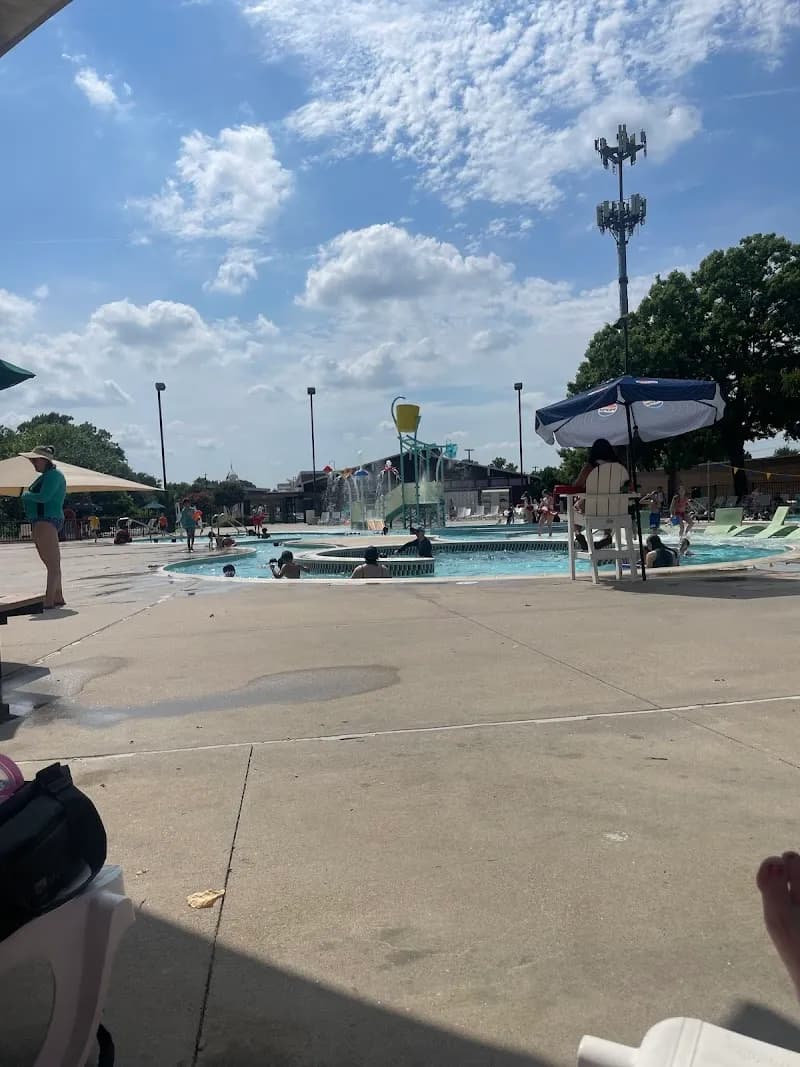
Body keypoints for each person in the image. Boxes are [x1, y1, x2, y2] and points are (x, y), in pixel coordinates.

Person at [21, 445, 67, 609]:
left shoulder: (53, 476)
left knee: (52, 565)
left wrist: (25, 495)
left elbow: (44, 497)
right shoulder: (48, 476)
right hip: (44, 520)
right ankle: (58, 595)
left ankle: (48, 600)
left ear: (43, 460)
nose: (32, 463)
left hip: (46, 520)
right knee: (53, 563)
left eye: (34, 460)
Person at [573, 438, 620, 551]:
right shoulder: (617, 467)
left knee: (573, 509)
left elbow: (576, 485)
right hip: (612, 509)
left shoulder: (590, 467)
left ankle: (578, 534)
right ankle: (607, 535)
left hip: (592, 508)